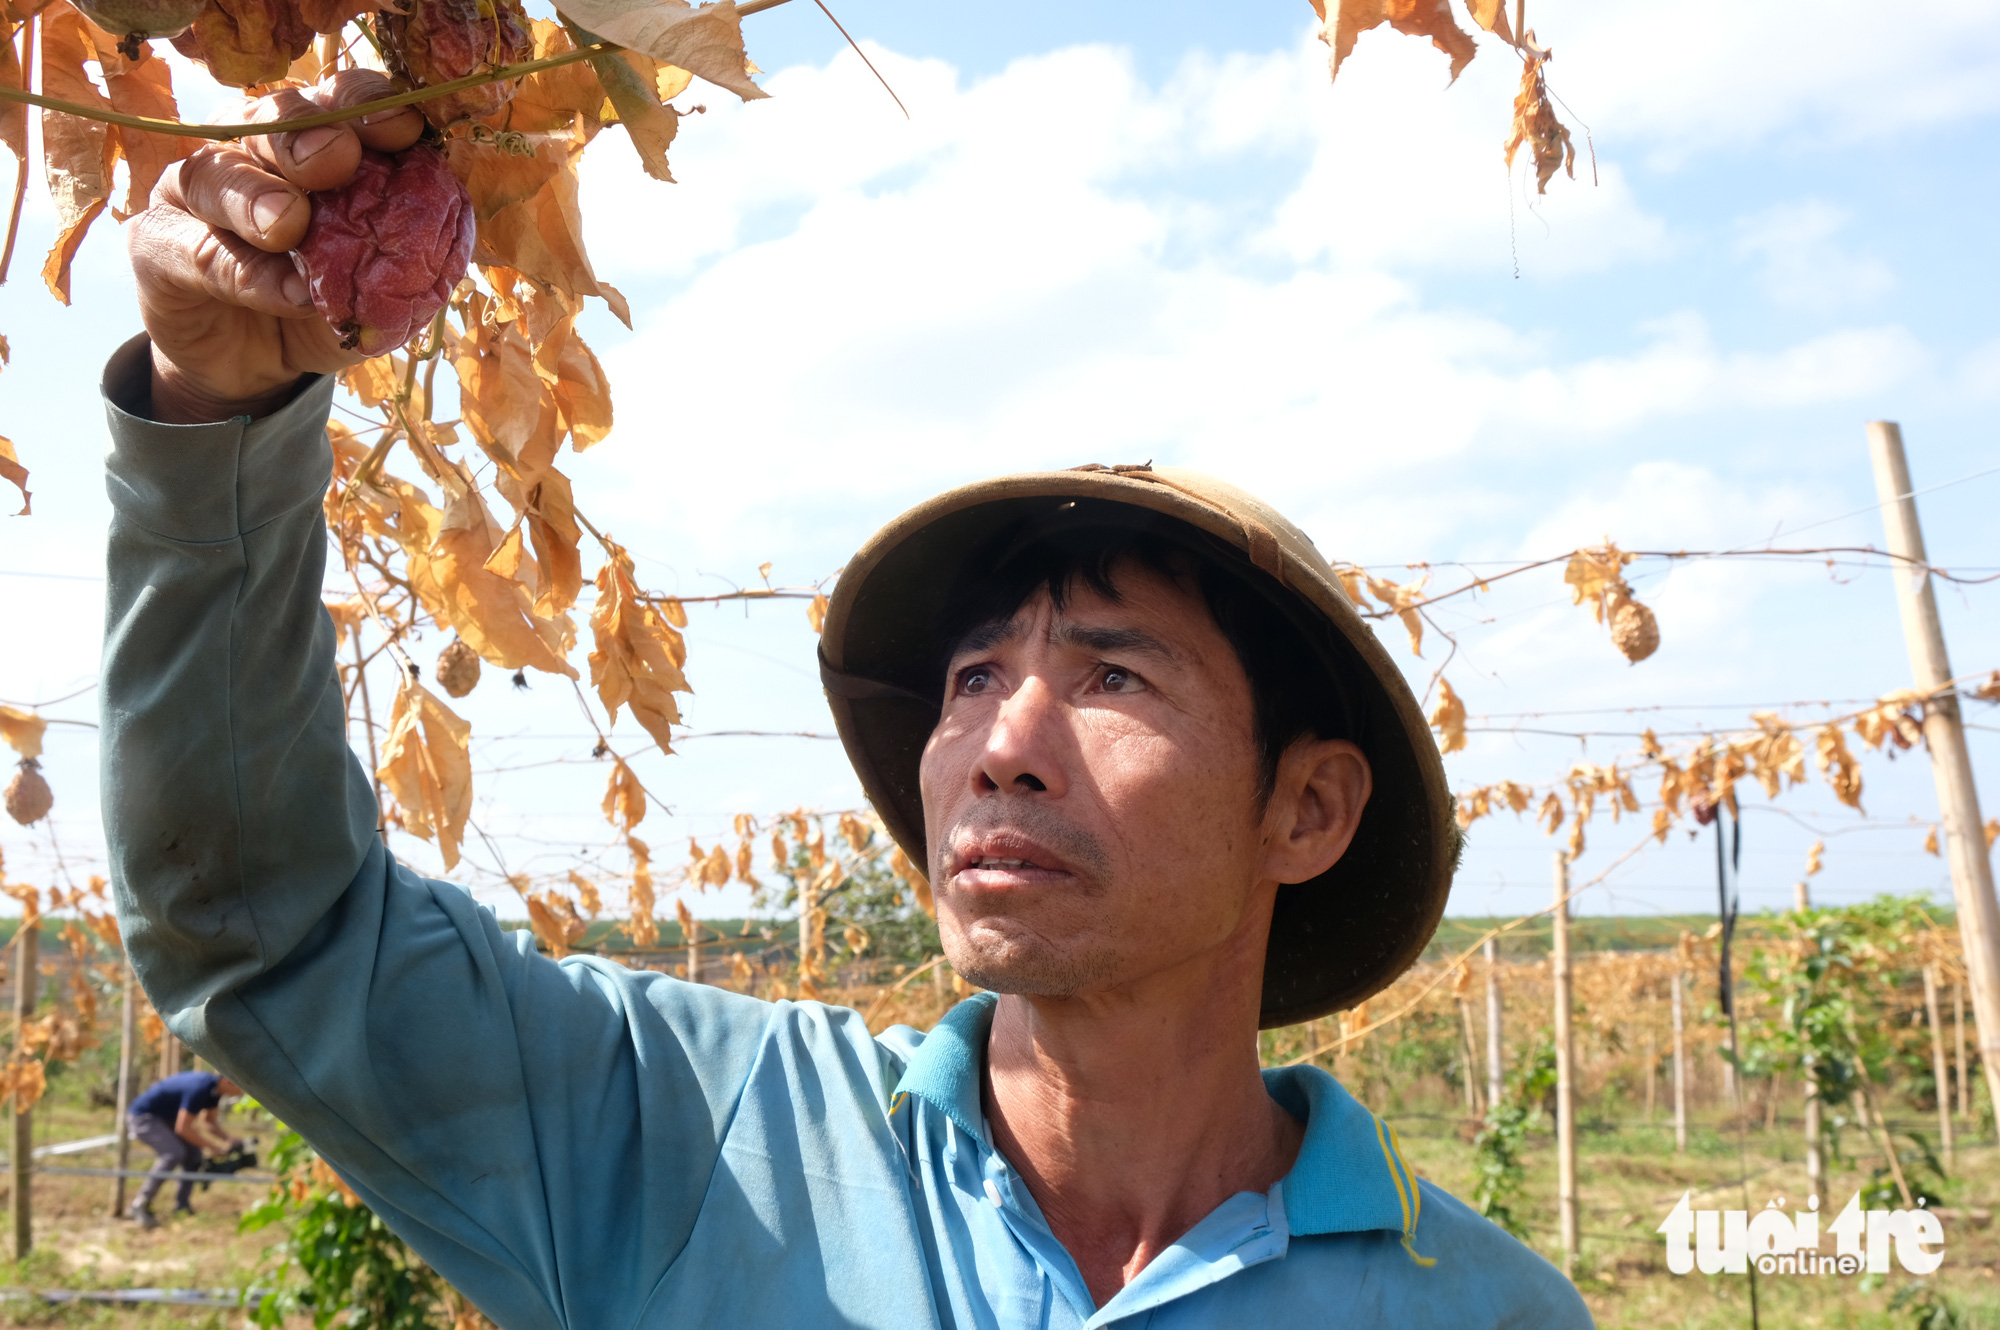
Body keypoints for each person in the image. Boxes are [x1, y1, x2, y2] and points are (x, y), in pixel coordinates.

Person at [101, 71, 1592, 1329]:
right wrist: (215, 408)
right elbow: (265, 925)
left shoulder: (1485, 1306)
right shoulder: (698, 1137)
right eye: (973, 677)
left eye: (1114, 675)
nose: (1002, 744)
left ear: (1307, 804)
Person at [124, 1069, 243, 1228]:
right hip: (144, 1117)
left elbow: (209, 1122)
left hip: (165, 1119)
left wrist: (229, 1140)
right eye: (242, 1088)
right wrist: (213, 1147)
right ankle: (139, 1205)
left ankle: (182, 1206)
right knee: (173, 1153)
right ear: (228, 1081)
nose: (242, 1092)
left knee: (194, 1156)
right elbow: (183, 1128)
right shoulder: (200, 1088)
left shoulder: (214, 1091)